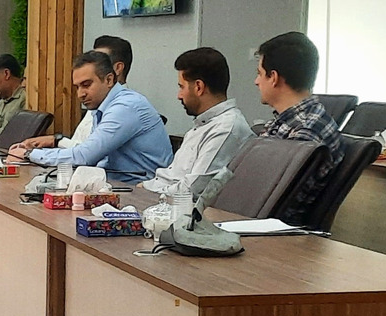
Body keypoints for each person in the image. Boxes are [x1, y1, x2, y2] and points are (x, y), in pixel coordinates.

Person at [7, 50, 172, 182]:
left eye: (86, 85)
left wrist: (29, 154)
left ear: (109, 80)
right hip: (117, 185)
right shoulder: (102, 106)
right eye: (77, 87)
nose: (80, 94)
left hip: (143, 193)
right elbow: (88, 152)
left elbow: (85, 156)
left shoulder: (125, 107)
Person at [139, 47, 254, 203]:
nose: (179, 95)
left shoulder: (226, 129)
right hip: (160, 197)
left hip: (173, 205)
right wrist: (144, 188)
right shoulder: (204, 124)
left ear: (199, 87)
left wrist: (147, 191)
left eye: (181, 87)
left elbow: (193, 190)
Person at [254, 31, 345, 225]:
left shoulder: (306, 132)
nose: (256, 81)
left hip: (268, 232)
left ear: (274, 77)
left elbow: (268, 198)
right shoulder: (286, 121)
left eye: (260, 74)